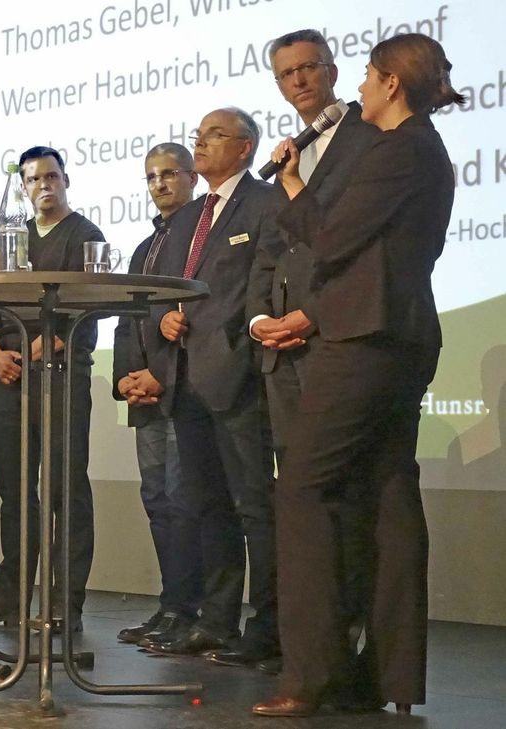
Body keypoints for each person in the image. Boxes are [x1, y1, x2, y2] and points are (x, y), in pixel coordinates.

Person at [253, 34, 464, 718]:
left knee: (303, 488)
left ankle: (313, 673)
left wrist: (291, 182)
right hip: (396, 335)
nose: (364, 93)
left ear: (390, 86)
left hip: (366, 335)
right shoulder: (419, 149)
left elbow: (332, 237)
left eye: (370, 80)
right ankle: (388, 676)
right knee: (388, 493)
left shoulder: (398, 149)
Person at [240, 29, 381, 672]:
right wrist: (259, 319)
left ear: (332, 70)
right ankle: (304, 642)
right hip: (282, 354)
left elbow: (360, 248)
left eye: (308, 68)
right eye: (285, 73)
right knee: (294, 503)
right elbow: (271, 254)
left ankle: (341, 639)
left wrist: (311, 316)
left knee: (337, 497)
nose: (298, 81)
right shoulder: (287, 155)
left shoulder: (366, 137)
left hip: (335, 340)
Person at [141, 109, 283, 663]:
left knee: (254, 508)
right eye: (198, 135)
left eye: (214, 135)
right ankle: (218, 622)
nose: (200, 143)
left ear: (245, 147)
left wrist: (224, 340)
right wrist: (163, 320)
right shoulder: (188, 217)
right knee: (207, 507)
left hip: (239, 377)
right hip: (185, 378)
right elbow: (165, 290)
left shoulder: (267, 203)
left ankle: (268, 628)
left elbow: (261, 288)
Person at [0, 145, 103, 632]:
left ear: (66, 180)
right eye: (33, 179)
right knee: (14, 491)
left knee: (63, 491)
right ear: (24, 187)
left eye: (51, 176)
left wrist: (40, 347)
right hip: (9, 381)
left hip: (60, 379)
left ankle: (63, 603)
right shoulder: (13, 238)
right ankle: (11, 593)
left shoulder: (85, 235)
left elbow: (90, 307)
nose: (43, 185)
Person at [112, 143, 203, 646]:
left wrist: (161, 377)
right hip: (143, 395)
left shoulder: (198, 236)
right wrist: (127, 376)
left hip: (180, 392)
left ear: (192, 177)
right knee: (157, 500)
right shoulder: (145, 244)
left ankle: (190, 611)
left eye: (170, 174)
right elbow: (130, 320)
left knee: (182, 499)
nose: (160, 184)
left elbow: (193, 320)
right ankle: (171, 606)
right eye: (151, 177)